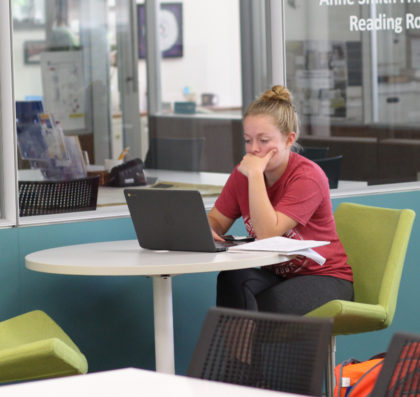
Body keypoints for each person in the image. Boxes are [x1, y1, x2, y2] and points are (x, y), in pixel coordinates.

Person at [207, 85, 354, 316]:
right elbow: (216, 219)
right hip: (278, 276)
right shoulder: (243, 173)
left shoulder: (307, 177)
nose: (254, 149)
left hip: (325, 277)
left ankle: (250, 353)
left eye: (263, 140)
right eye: (248, 140)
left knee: (259, 311)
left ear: (289, 139)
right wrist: (207, 228)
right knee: (231, 281)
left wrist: (255, 175)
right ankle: (236, 354)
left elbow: (268, 234)